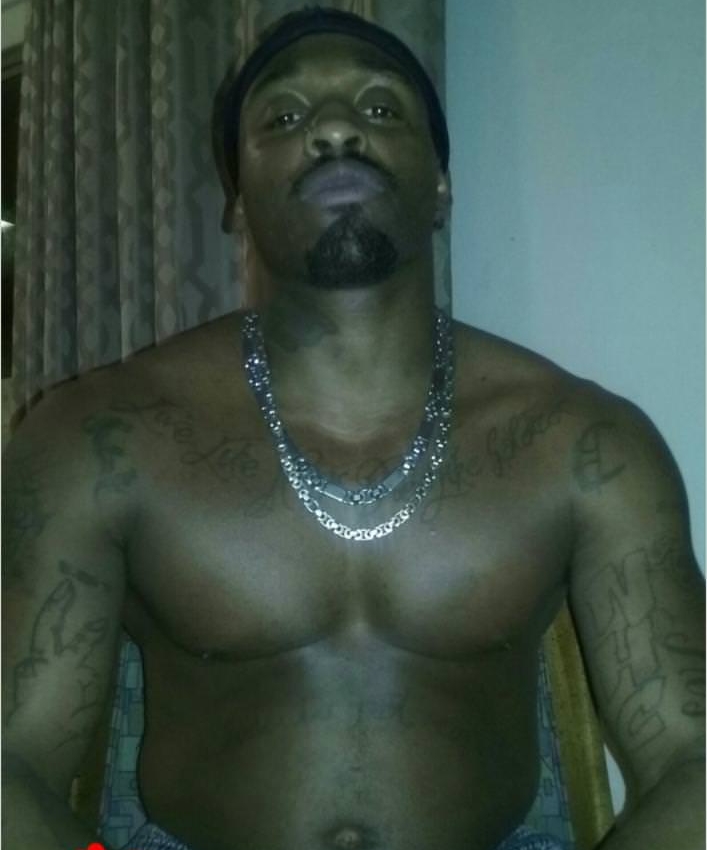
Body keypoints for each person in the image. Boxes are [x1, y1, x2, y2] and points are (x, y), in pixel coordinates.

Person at [3, 8, 704, 850]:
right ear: (236, 198)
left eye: (378, 108)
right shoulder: (96, 439)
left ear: (440, 184)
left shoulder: (585, 448)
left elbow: (690, 759)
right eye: (284, 116)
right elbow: (11, 763)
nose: (333, 129)